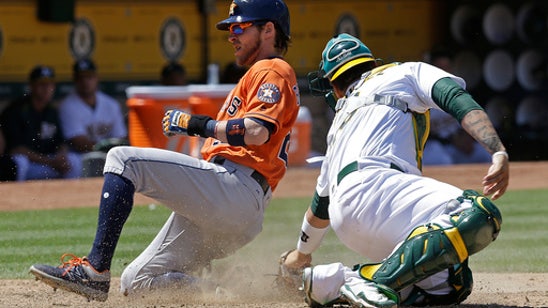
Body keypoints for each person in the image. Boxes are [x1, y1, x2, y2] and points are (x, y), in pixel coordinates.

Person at [30, 0, 299, 302]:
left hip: (236, 189)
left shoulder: (272, 68)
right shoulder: (258, 74)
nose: (231, 35)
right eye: (230, 28)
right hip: (232, 208)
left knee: (123, 159)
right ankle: (230, 290)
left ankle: (95, 271)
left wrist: (196, 124)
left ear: (268, 30)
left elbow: (257, 132)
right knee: (136, 282)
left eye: (239, 27)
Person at [279, 33, 509, 307]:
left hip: (351, 220)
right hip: (379, 191)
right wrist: (497, 149)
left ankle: (334, 281)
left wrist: (301, 254)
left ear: (335, 86)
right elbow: (454, 97)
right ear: (373, 64)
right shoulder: (405, 71)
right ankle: (367, 282)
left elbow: (321, 205)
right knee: (478, 214)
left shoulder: (339, 125)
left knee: (452, 283)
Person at [0, 65, 81, 181]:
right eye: (42, 84)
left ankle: (71, 196)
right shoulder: (16, 110)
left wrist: (61, 156)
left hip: (49, 163)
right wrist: (50, 162)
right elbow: (16, 149)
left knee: (74, 160)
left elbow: (61, 142)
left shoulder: (52, 111)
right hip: (30, 165)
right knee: (19, 162)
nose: (46, 88)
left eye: (50, 84)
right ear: (31, 86)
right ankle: (17, 197)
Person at [58, 58, 128, 176]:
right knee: (72, 161)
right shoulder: (68, 106)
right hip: (82, 156)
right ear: (75, 80)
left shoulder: (111, 104)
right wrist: (104, 150)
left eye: (89, 77)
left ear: (96, 78)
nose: (85, 82)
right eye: (81, 78)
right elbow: (79, 143)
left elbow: (120, 138)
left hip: (111, 155)